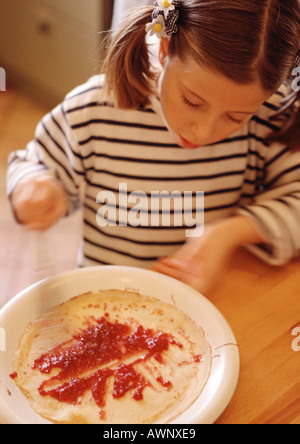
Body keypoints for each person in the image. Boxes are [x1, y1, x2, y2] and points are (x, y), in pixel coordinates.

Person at [6, 0, 300, 295]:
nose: (204, 131)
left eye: (236, 117)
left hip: (200, 304)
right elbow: (32, 164)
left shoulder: (270, 117)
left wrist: (229, 233)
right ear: (164, 47)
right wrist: (35, 185)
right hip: (103, 301)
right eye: (192, 102)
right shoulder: (93, 110)